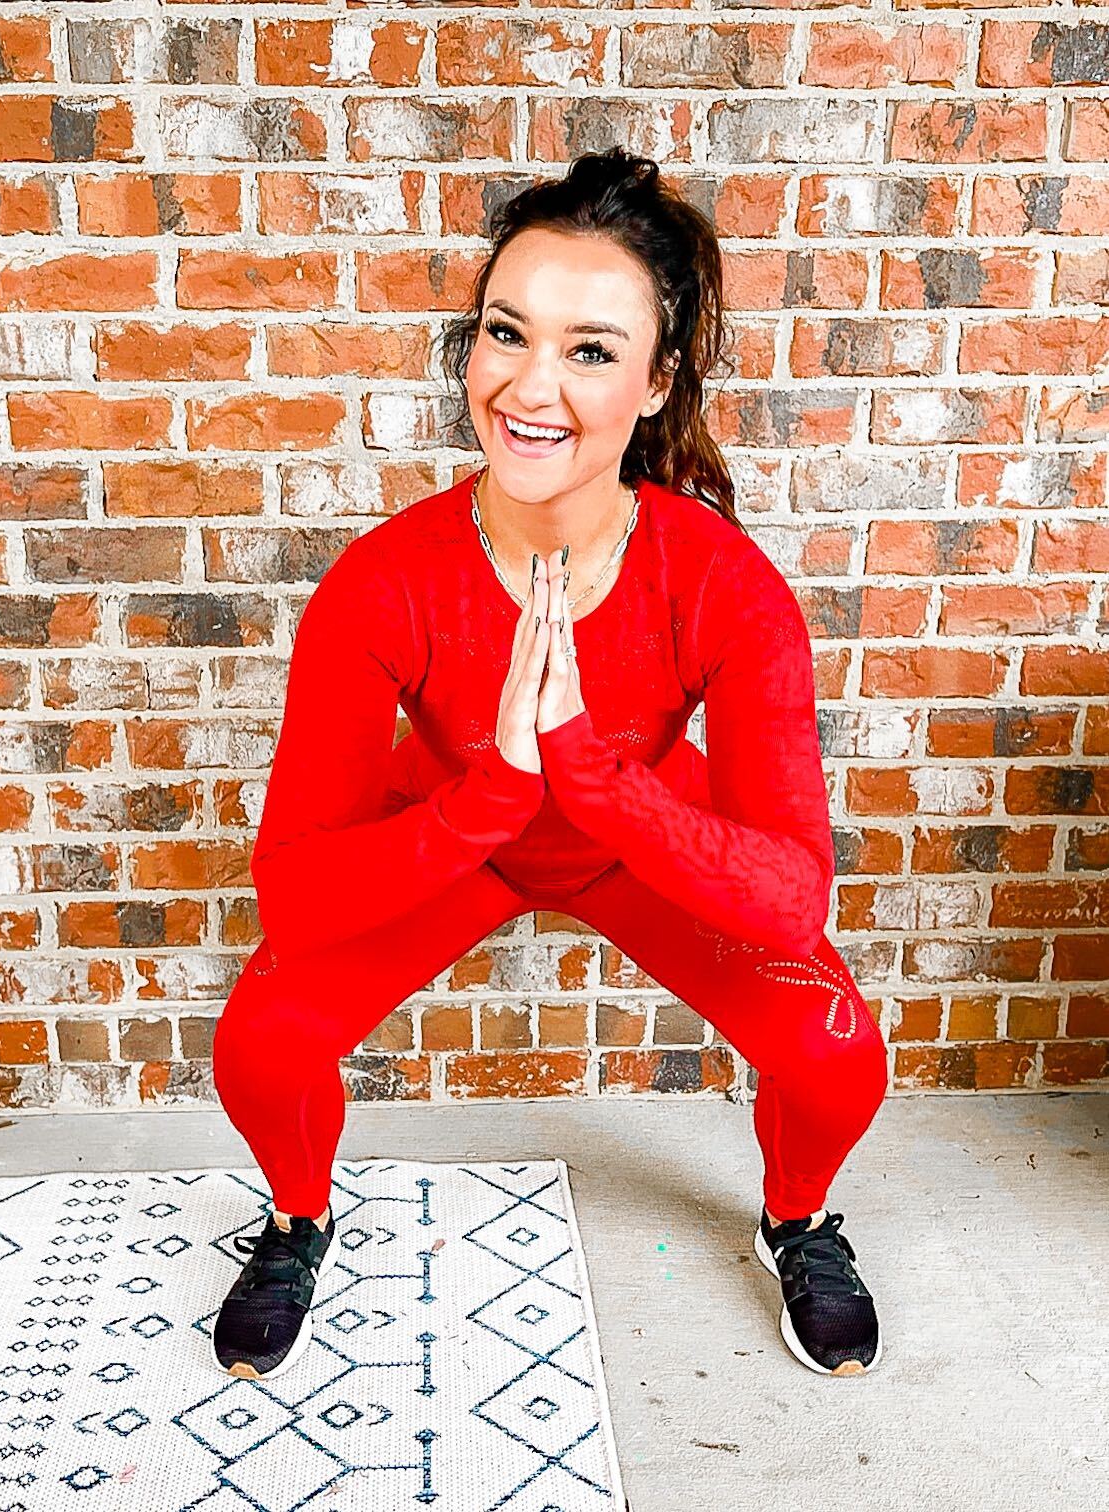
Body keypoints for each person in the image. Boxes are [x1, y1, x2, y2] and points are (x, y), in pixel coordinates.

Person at [211, 147, 889, 1384]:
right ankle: (298, 1218)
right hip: (461, 833)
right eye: (505, 333)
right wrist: (491, 793)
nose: (530, 384)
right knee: (260, 1042)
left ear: (657, 378)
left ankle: (795, 1218)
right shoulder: (382, 585)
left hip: (634, 836)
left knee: (840, 1054)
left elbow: (794, 897)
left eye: (590, 349)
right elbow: (296, 895)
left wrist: (586, 766)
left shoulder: (726, 589)